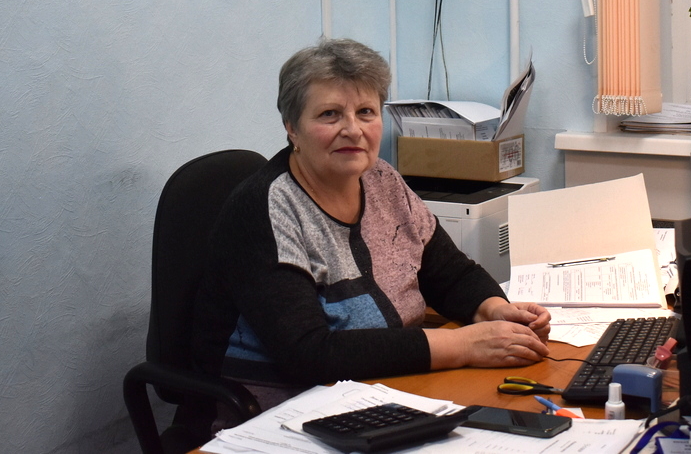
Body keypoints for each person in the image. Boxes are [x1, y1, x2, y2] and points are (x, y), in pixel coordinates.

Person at [192, 38, 551, 410]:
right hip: (283, 411)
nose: (353, 129)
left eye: (366, 112)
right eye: (329, 114)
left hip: (385, 389)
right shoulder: (265, 208)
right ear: (292, 128)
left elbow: (450, 274)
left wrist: (494, 309)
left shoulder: (381, 179)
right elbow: (308, 353)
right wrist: (465, 345)